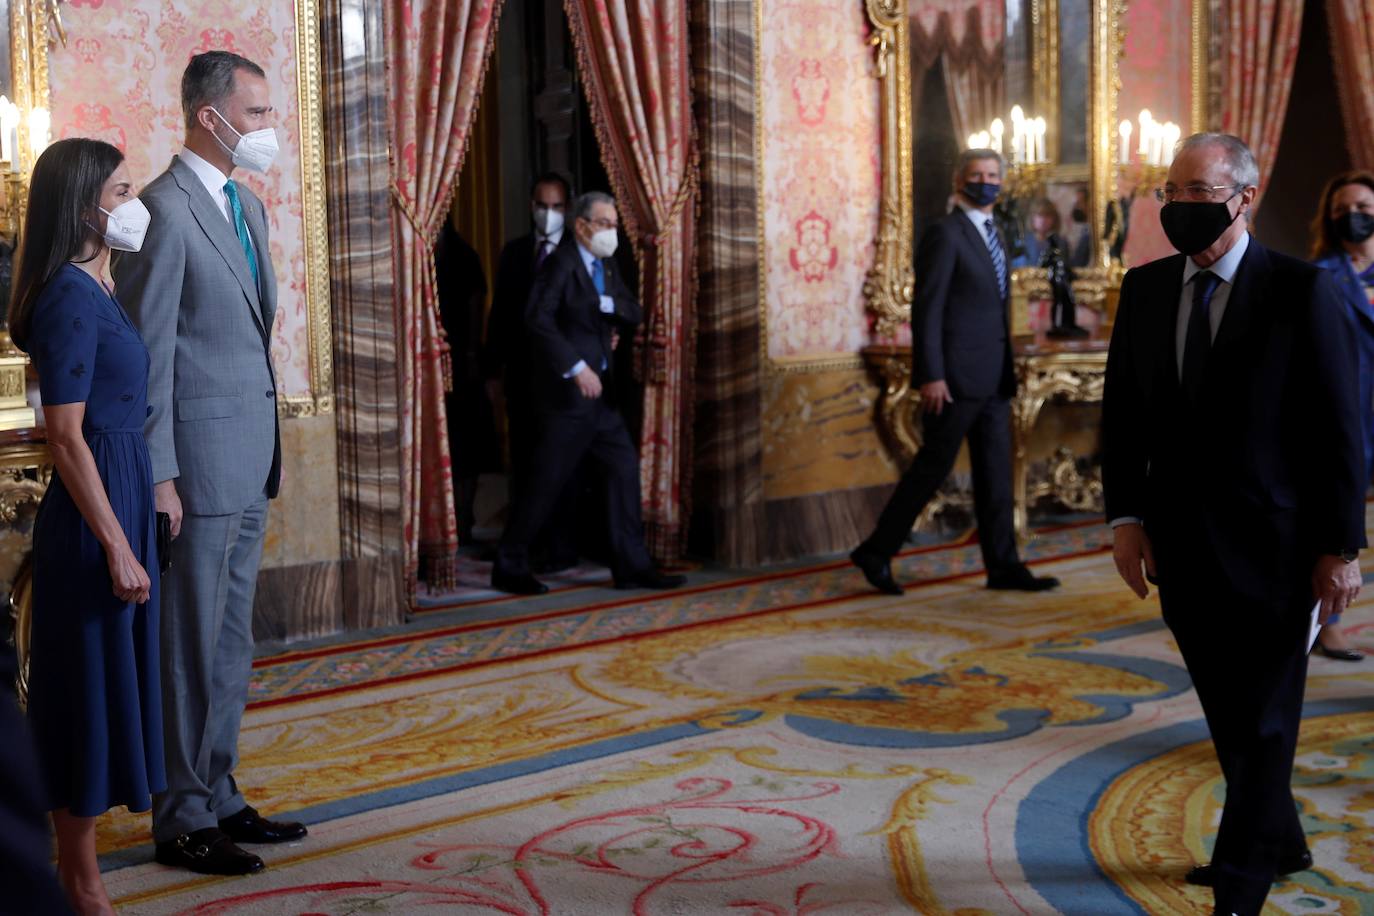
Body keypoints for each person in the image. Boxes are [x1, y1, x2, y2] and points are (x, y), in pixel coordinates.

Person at [1103, 133, 1364, 916]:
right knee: (1228, 707)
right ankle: (1279, 840)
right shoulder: (1145, 289)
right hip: (1181, 547)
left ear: (1243, 196)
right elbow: (1123, 418)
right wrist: (1125, 517)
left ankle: (1243, 882)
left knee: (1265, 723)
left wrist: (1341, 548)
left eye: (1196, 191)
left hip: (1280, 549)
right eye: (1172, 191)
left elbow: (1338, 429)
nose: (1179, 205)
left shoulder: (1300, 290)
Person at [114, 50, 306, 876]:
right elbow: (148, 357)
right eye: (258, 114)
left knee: (230, 643)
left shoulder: (246, 208)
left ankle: (220, 792)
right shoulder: (162, 210)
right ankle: (181, 816)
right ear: (211, 117)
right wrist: (160, 475)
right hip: (193, 469)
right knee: (188, 646)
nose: (268, 130)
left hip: (248, 459)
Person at [7, 137, 162, 916]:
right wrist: (117, 543)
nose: (134, 204)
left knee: (111, 688)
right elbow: (66, 434)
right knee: (84, 698)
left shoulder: (102, 284)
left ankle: (80, 874)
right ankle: (81, 881)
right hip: (94, 516)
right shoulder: (68, 295)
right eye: (123, 189)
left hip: (125, 490)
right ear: (85, 204)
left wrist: (154, 490)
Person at [850, 150, 1060, 595]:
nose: (986, 182)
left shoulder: (995, 231)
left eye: (993, 175)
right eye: (977, 175)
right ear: (958, 180)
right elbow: (929, 310)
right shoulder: (945, 234)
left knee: (995, 477)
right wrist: (932, 375)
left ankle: (1003, 566)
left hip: (993, 377)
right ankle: (876, 551)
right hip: (953, 381)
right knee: (931, 470)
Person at [491, 191, 685, 595]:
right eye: (605, 224)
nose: (612, 232)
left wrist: (603, 307)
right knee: (546, 482)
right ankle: (509, 565)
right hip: (567, 400)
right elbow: (538, 320)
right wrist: (576, 366)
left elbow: (632, 310)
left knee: (623, 471)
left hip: (604, 400)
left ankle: (632, 566)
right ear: (581, 226)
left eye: (614, 225)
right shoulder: (560, 265)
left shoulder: (607, 265)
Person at [485, 173, 579, 568]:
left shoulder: (578, 253)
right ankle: (525, 544)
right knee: (523, 462)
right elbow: (501, 317)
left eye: (557, 207)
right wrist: (492, 370)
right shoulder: (515, 253)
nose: (549, 214)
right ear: (531, 206)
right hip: (522, 379)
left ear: (568, 210)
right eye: (543, 206)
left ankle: (559, 546)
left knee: (558, 465)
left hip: (562, 381)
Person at [1308, 170, 1374, 661]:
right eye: (1343, 209)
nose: (1354, 216)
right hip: (1350, 416)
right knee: (1337, 526)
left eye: (1364, 208)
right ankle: (1326, 624)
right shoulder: (1321, 276)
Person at [434, 220, 498, 542]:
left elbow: (476, 311)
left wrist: (474, 362)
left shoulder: (464, 257)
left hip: (464, 365)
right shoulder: (424, 257)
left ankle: (465, 518)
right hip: (435, 367)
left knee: (467, 448)